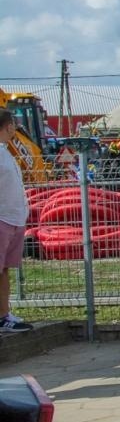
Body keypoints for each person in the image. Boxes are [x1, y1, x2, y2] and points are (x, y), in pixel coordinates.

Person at [0, 112, 32, 333]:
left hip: (13, 219)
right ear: (8, 126)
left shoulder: (5, 152)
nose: (16, 129)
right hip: (1, 219)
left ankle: (3, 315)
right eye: (14, 125)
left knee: (4, 270)